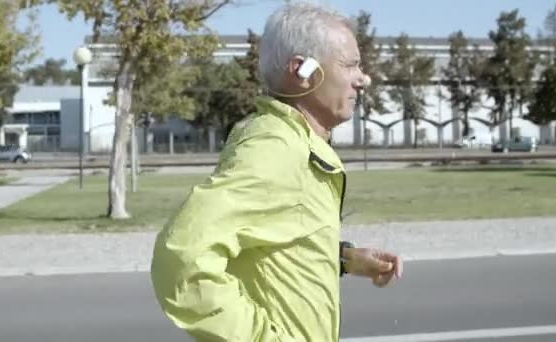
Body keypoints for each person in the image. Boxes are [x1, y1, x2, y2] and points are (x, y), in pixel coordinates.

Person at [151, 3, 402, 341]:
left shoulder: (293, 139)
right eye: (351, 65)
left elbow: (272, 237)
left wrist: (343, 258)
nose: (364, 78)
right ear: (301, 71)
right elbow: (182, 259)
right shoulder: (275, 147)